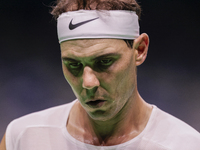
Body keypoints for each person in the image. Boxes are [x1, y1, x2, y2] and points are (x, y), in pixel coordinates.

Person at [1, 0, 200, 149]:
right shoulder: (22, 138)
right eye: (73, 64)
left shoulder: (185, 145)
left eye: (104, 62)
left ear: (139, 49)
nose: (88, 82)